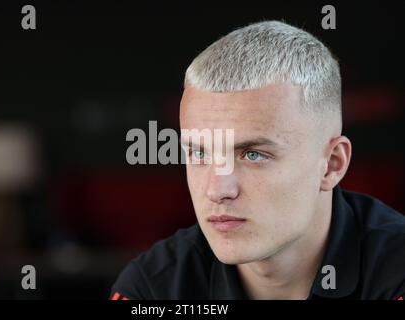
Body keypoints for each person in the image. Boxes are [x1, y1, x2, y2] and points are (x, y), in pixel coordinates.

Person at [109, 20, 405, 300]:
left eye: (253, 154)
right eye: (199, 153)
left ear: (331, 164)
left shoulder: (394, 273)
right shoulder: (155, 287)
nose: (217, 190)